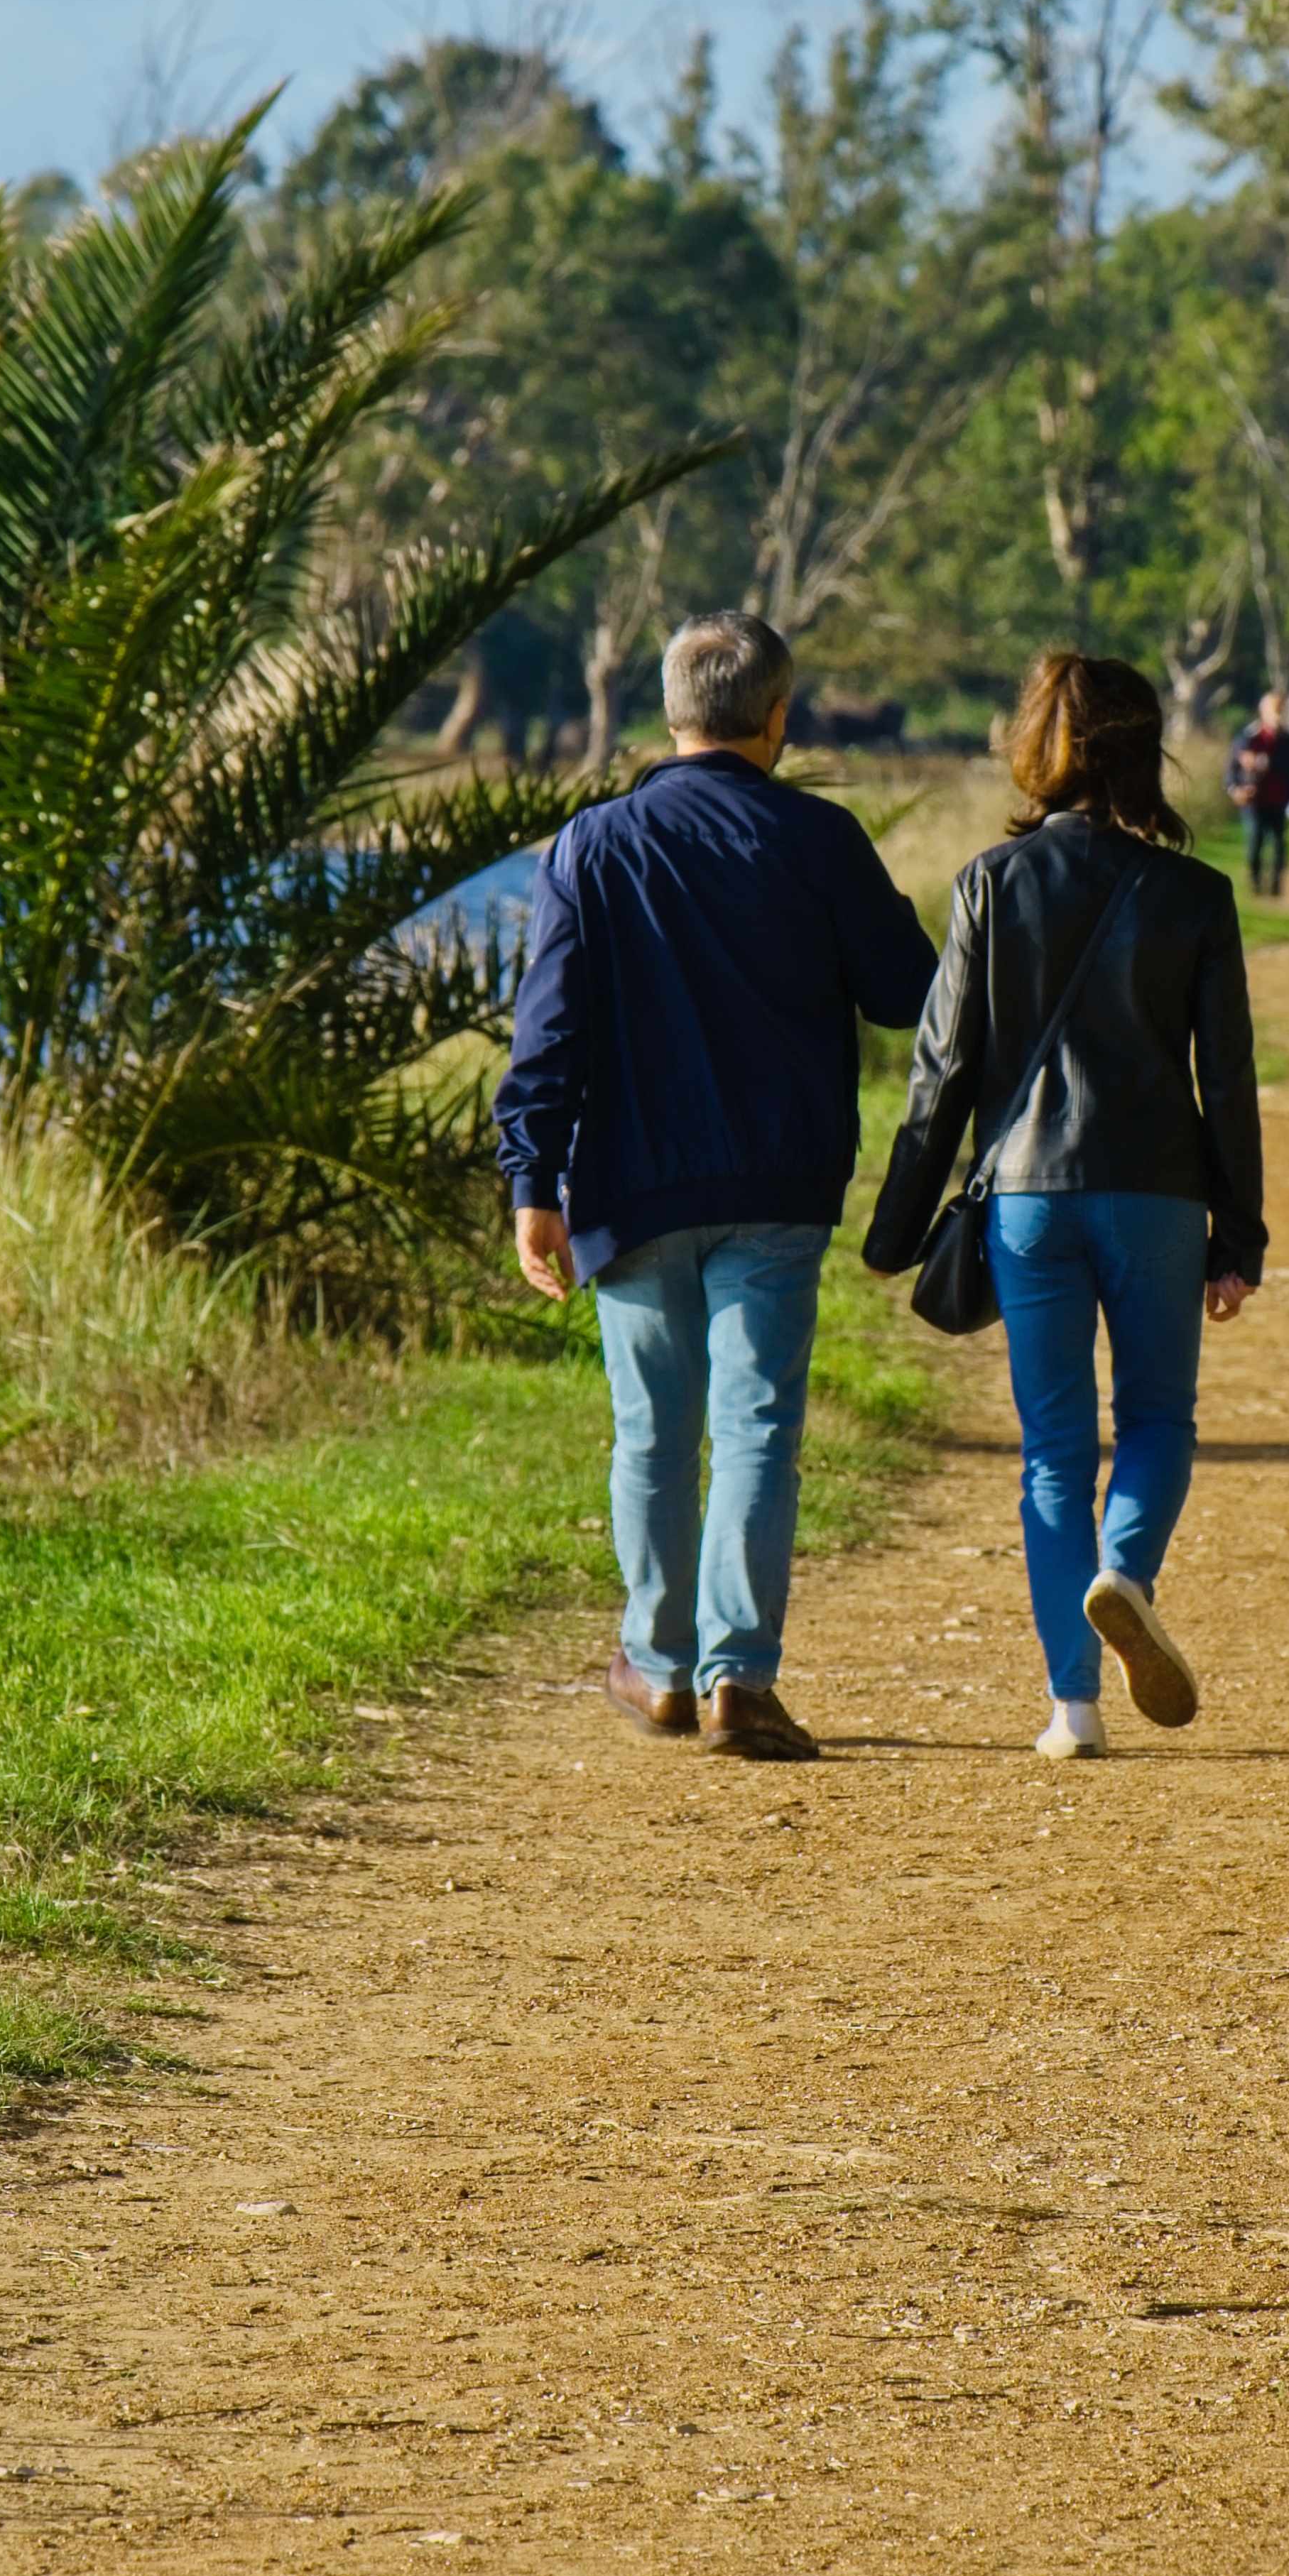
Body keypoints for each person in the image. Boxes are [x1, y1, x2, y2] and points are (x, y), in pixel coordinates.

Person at [499, 608, 937, 1762]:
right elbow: (908, 991)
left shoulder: (591, 845)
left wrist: (530, 1179)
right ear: (779, 716)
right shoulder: (822, 838)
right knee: (757, 1425)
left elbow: (545, 1033)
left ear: (672, 712)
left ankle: (655, 1663)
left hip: (630, 1185)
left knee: (650, 1431)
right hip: (779, 1178)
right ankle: (739, 1672)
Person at [864, 651, 1268, 1760]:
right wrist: (1242, 1236)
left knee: (1052, 1452)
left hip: (1028, 1202)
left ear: (1035, 747)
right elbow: (1225, 1081)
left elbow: (942, 1072)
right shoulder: (1198, 895)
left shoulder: (990, 884)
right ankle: (1125, 1575)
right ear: (1147, 750)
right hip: (1156, 1197)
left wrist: (896, 1232)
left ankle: (1072, 1710)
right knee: (1156, 1421)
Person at [1228, 688, 1289, 900]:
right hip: (1254, 800)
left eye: (1280, 710)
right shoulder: (1247, 737)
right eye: (1274, 709)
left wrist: (1260, 762)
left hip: (1279, 798)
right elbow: (1232, 769)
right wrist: (1235, 789)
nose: (1277, 714)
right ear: (1263, 711)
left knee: (1280, 843)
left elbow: (1288, 764)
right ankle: (1255, 884)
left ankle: (1275, 885)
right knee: (1255, 841)